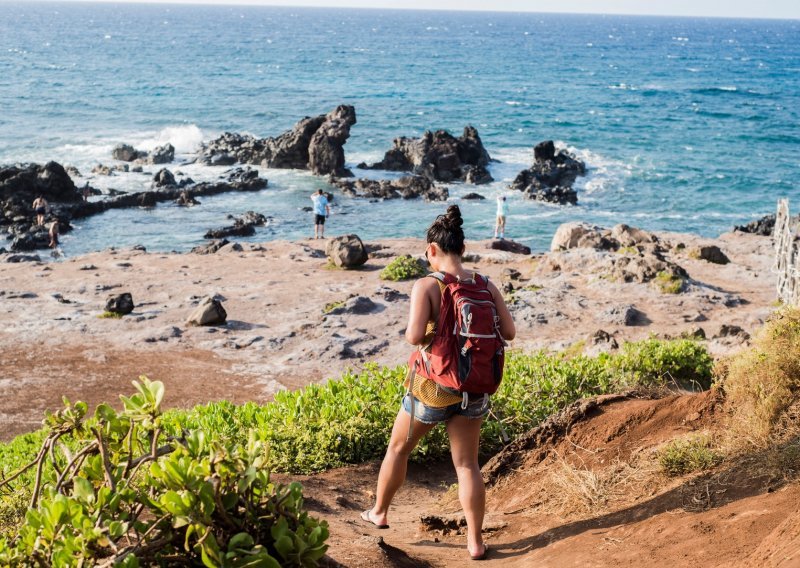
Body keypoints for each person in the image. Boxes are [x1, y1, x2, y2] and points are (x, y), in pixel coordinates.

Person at [361, 205, 515, 561]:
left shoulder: (427, 285)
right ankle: (475, 543)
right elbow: (509, 332)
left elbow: (414, 336)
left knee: (399, 448)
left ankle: (379, 512)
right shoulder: (485, 285)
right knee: (467, 465)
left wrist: (428, 332)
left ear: (432, 251)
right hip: (474, 386)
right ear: (463, 247)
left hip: (434, 386)